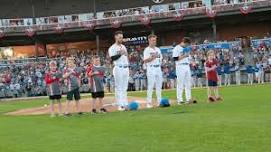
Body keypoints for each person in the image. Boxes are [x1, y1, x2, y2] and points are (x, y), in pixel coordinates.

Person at [108, 31, 129, 111]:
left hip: (125, 68)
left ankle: (125, 103)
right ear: (115, 37)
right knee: (119, 87)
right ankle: (120, 105)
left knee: (125, 87)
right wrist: (120, 54)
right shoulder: (112, 48)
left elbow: (126, 57)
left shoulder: (123, 46)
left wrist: (128, 66)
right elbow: (112, 58)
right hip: (118, 68)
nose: (121, 38)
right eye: (119, 37)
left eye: (122, 37)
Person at [172, 37, 196, 104]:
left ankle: (188, 99)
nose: (187, 45)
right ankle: (180, 100)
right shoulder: (176, 48)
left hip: (187, 66)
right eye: (187, 44)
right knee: (180, 83)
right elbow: (175, 58)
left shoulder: (187, 48)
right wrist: (184, 56)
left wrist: (193, 63)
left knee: (188, 83)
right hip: (180, 66)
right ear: (184, 42)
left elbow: (189, 58)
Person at [143, 34, 163, 108]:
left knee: (159, 86)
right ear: (149, 40)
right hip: (151, 68)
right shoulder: (147, 50)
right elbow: (145, 60)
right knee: (151, 86)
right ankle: (149, 103)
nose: (154, 41)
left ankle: (159, 102)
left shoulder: (158, 49)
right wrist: (152, 58)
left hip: (158, 68)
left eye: (155, 40)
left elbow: (160, 58)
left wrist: (159, 62)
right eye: (153, 40)